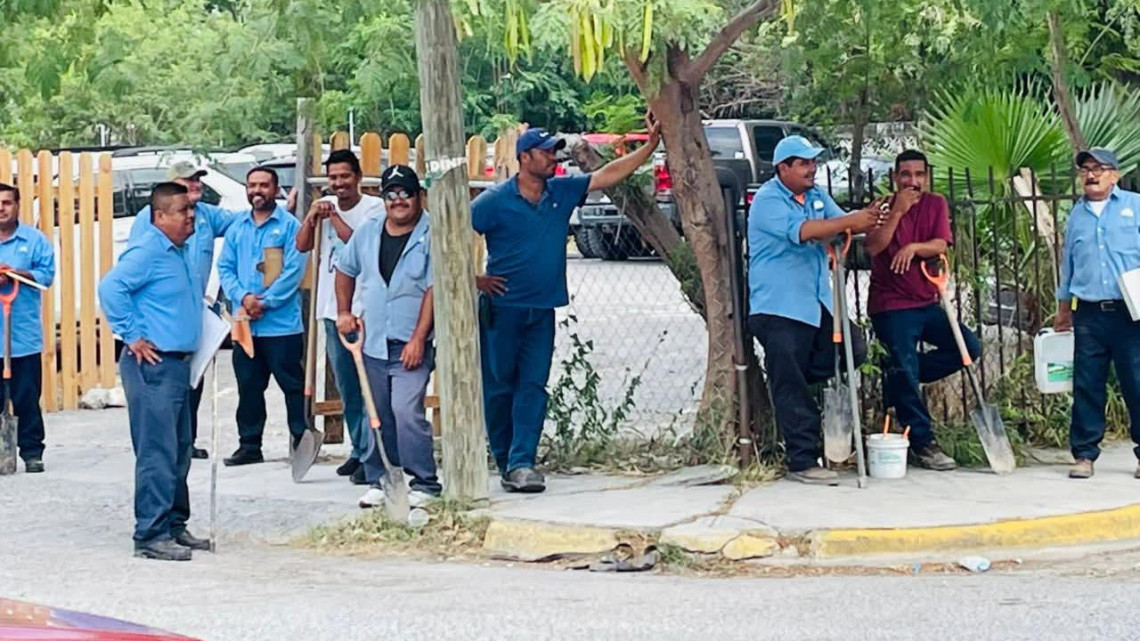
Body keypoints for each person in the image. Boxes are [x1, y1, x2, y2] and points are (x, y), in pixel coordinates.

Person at [471, 114, 661, 493]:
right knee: (498, 386)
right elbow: (448, 234)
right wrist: (473, 277)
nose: (553, 159)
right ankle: (504, 456)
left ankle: (522, 462)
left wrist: (650, 147)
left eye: (554, 153)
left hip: (541, 308)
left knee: (533, 385)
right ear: (525, 158)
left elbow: (607, 176)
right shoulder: (495, 201)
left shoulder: (561, 192)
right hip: (503, 308)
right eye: (545, 153)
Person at [746, 135, 884, 485]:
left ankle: (793, 393)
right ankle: (802, 460)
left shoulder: (818, 196)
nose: (812, 168)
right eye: (804, 163)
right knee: (790, 376)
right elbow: (806, 231)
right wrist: (849, 222)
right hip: (778, 305)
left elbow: (841, 224)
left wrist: (863, 221)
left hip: (815, 302)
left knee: (852, 348)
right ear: (783, 168)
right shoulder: (767, 200)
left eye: (813, 162)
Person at [98, 182, 207, 561]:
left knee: (179, 449)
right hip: (153, 366)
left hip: (179, 365)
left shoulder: (180, 251)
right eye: (182, 210)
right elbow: (111, 288)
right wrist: (133, 335)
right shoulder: (148, 250)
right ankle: (151, 533)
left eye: (192, 209)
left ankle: (174, 525)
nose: (190, 216)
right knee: (157, 451)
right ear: (160, 216)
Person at [865, 149, 980, 472]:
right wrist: (898, 212)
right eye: (905, 175)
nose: (912, 181)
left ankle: (898, 380)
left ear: (927, 177)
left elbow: (941, 244)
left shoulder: (935, 204)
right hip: (890, 305)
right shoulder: (883, 208)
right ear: (895, 178)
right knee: (905, 363)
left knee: (968, 347)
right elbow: (874, 246)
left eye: (919, 175)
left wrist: (914, 248)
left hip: (926, 301)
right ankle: (923, 442)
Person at [335, 165, 438, 508]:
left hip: (410, 342)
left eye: (405, 193)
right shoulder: (368, 231)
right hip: (373, 340)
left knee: (406, 410)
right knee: (377, 413)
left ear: (418, 196)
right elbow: (345, 269)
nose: (398, 201)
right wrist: (344, 311)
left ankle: (424, 482)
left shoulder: (431, 234)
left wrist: (418, 339)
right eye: (391, 194)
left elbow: (432, 290)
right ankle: (381, 478)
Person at [127, 161, 241, 460]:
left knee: (192, 381)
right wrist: (133, 333)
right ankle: (165, 447)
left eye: (198, 180)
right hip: (160, 321)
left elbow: (240, 222)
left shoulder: (205, 215)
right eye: (189, 181)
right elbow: (122, 282)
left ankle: (185, 441)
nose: (196, 186)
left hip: (194, 315)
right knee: (163, 394)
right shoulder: (148, 222)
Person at [295, 150, 385, 484]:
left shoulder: (372, 209)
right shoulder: (324, 206)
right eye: (333, 177)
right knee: (347, 387)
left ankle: (371, 452)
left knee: (368, 385)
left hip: (362, 309)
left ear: (358, 177)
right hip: (330, 310)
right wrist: (310, 219)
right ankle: (359, 449)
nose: (339, 183)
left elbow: (358, 245)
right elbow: (302, 245)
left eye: (345, 176)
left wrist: (332, 218)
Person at [1054, 148, 1140, 479]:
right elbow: (1069, 266)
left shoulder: (1134, 206)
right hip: (1089, 313)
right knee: (1087, 383)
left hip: (1130, 312)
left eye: (1099, 169)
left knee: (1136, 382)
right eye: (1086, 170)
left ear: (1114, 175)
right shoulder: (1076, 215)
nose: (1092, 175)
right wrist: (1064, 309)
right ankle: (1084, 455)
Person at [217, 167, 308, 467]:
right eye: (252, 185)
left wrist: (264, 303)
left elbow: (293, 272)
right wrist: (243, 298)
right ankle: (250, 445)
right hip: (246, 327)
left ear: (275, 189)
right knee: (249, 388)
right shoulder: (237, 228)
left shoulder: (290, 226)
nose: (257, 191)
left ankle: (301, 442)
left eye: (264, 186)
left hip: (281, 326)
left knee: (292, 387)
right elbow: (225, 268)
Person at [0, 183, 55, 473]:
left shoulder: (35, 241)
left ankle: (32, 452)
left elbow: (45, 277)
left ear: (17, 205)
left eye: (7, 202)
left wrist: (18, 274)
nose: (1, 208)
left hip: (23, 338)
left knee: (26, 398)